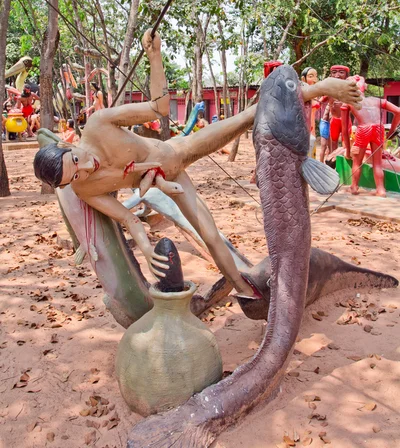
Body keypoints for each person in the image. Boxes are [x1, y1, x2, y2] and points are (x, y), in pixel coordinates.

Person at [33, 30, 362, 298]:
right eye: (75, 175)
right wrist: (147, 250)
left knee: (248, 116)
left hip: (179, 149)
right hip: (169, 183)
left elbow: (159, 107)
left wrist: (155, 56)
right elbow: (128, 218)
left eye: (76, 160)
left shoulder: (98, 124)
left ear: (68, 145)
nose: (86, 168)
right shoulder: (85, 187)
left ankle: (322, 88)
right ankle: (248, 292)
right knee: (210, 235)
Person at [341, 75, 400, 197]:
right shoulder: (376, 100)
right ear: (365, 87)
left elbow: (345, 129)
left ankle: (354, 187)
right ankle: (381, 189)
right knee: (377, 163)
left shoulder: (348, 103)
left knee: (357, 162)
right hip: (379, 128)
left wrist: (347, 149)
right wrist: (391, 132)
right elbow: (398, 112)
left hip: (363, 129)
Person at [300, 67, 320, 157]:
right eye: (311, 76)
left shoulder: (315, 95)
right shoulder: (302, 94)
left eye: (316, 76)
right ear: (303, 79)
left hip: (311, 129)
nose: (315, 80)